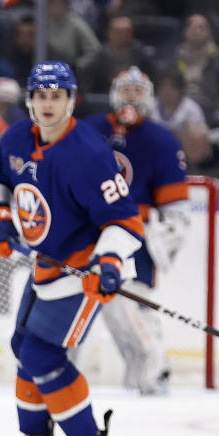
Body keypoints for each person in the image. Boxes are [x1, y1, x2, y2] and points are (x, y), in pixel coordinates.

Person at [0, 61, 144, 436]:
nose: (49, 104)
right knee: (23, 345)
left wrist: (108, 264)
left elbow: (126, 221)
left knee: (43, 355)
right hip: (48, 263)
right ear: (30, 101)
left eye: (58, 96)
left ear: (71, 101)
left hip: (86, 268)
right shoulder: (16, 137)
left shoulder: (89, 154)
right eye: (41, 96)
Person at [84, 67, 189, 394]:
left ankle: (156, 371)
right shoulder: (90, 130)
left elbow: (176, 208)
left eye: (138, 92)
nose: (131, 99)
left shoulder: (161, 140)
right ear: (115, 93)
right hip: (90, 231)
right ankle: (137, 372)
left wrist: (163, 243)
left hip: (134, 235)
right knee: (106, 308)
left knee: (132, 304)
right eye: (126, 91)